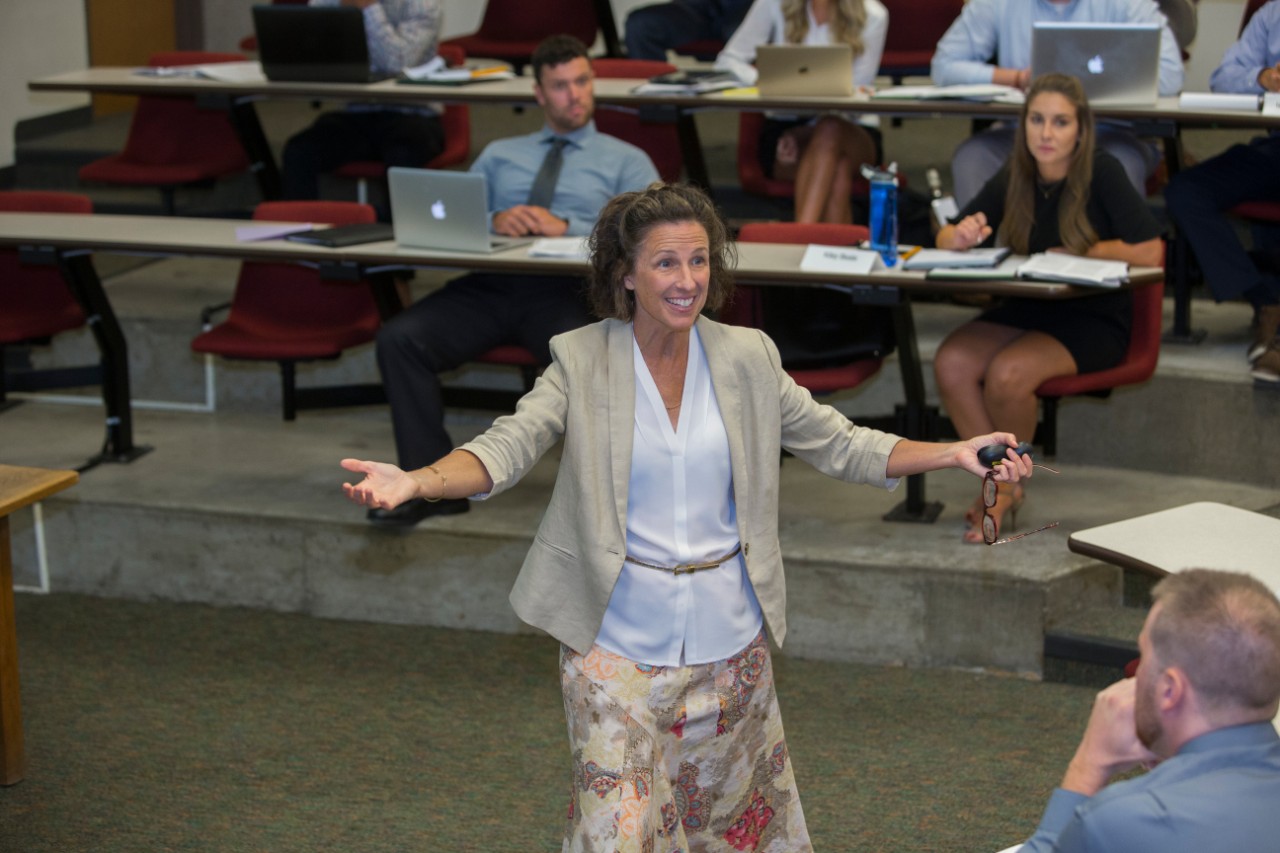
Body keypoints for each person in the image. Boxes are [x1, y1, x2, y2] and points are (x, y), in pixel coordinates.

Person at [342, 182, 1039, 851]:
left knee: (725, 831)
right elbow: (505, 447)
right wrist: (418, 480)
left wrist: (952, 452)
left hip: (729, 648)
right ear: (625, 275)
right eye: (666, 261)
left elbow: (844, 444)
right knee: (619, 829)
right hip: (615, 644)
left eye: (700, 258)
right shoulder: (580, 359)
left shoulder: (748, 357)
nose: (687, 278)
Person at [368, 34, 659, 528]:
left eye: (582, 81)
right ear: (540, 94)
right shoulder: (502, 153)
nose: (575, 94)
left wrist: (568, 226)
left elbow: (652, 236)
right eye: (561, 86)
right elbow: (460, 217)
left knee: (587, 358)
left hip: (569, 291)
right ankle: (434, 490)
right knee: (400, 338)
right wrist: (495, 219)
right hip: (493, 285)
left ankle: (605, 503)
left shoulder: (626, 160)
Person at [933, 74, 1163, 544]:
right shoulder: (1017, 171)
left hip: (1092, 316)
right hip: (1029, 306)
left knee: (1009, 375)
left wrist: (1083, 251)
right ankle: (996, 478)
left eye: (1060, 122)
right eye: (1037, 120)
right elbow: (944, 234)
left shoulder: (1102, 171)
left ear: (1080, 129)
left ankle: (1006, 488)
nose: (1046, 133)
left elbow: (1151, 252)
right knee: (951, 362)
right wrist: (957, 236)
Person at [1018, 568, 1280, 852]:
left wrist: (1089, 765)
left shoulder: (1123, 821)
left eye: (1143, 657)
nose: (1136, 674)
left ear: (1169, 691)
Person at [931, 0, 1184, 208]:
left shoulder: (1128, 4)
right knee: (973, 157)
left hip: (1110, 133)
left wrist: (1081, 85)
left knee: (1119, 165)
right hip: (1023, 134)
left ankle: (1113, 260)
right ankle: (984, 259)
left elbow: (1170, 76)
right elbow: (943, 67)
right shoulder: (996, 4)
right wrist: (1016, 78)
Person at [1164, 0, 1280, 383]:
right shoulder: (1271, 14)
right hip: (1274, 147)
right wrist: (1264, 77)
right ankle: (1266, 299)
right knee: (1186, 190)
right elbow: (1224, 76)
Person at [714, 0, 888, 224]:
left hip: (851, 130)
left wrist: (804, 133)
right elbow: (728, 61)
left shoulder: (873, 14)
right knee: (837, 172)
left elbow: (856, 92)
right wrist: (765, 79)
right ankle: (832, 250)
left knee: (830, 129)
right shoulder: (772, 4)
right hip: (784, 129)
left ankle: (797, 239)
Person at [280, 0, 444, 206]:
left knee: (403, 153)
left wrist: (368, 7)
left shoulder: (423, 5)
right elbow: (310, 38)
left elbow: (397, 62)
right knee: (299, 151)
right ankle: (297, 227)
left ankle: (393, 231)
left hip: (413, 113)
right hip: (357, 112)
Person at [625, 0, 756, 61]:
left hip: (751, 7)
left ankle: (764, 111)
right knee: (641, 25)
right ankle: (657, 109)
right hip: (695, 8)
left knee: (741, 36)